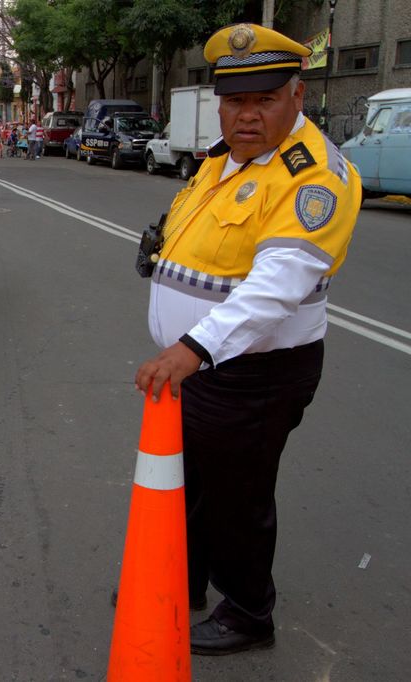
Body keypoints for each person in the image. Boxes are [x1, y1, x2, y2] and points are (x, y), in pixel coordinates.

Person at [133, 23, 360, 656]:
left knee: (238, 493)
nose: (247, 115)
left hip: (256, 369)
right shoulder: (222, 160)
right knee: (193, 479)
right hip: (203, 366)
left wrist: (193, 348)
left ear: (298, 96)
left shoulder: (315, 178)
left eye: (264, 100)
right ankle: (186, 579)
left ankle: (248, 612)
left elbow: (275, 288)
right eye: (235, 101)